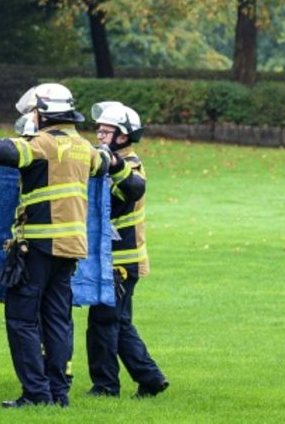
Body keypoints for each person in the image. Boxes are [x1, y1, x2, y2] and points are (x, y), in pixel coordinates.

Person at [0, 83, 131, 408]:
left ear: (43, 113)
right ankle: (58, 393)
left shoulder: (43, 144)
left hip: (38, 246)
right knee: (57, 319)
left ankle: (36, 394)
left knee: (22, 319)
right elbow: (109, 165)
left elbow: (1, 151)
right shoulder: (84, 148)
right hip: (71, 248)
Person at [85, 102, 168, 399]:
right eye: (99, 130)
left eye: (107, 131)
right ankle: (150, 378)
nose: (100, 136)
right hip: (112, 259)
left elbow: (134, 189)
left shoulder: (130, 165)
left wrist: (113, 165)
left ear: (125, 136)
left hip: (121, 261)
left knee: (104, 322)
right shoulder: (105, 163)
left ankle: (106, 386)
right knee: (117, 322)